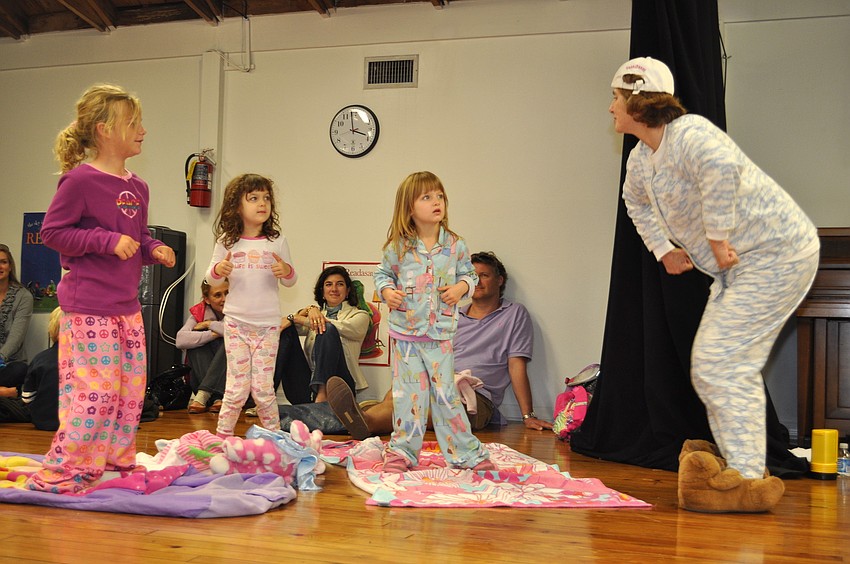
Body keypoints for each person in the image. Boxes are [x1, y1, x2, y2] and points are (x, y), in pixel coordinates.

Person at [609, 57, 819, 512]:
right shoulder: (641, 159)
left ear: (639, 103)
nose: (610, 107)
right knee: (711, 364)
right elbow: (635, 204)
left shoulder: (692, 134)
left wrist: (718, 238)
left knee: (722, 362)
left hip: (778, 252)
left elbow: (721, 169)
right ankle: (742, 469)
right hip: (739, 268)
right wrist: (663, 250)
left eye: (616, 97)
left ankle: (746, 476)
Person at [27, 84, 176, 493]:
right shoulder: (79, 181)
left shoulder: (138, 186)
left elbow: (137, 238)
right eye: (133, 123)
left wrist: (154, 248)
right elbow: (53, 232)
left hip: (127, 308)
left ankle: (112, 463)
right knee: (95, 393)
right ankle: (65, 470)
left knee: (129, 392)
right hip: (89, 308)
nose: (143, 130)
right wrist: (105, 241)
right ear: (104, 130)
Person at [327, 251, 552, 439]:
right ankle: (364, 419)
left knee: (429, 405)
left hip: (475, 397)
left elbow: (516, 365)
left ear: (500, 280)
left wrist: (528, 415)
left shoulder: (514, 313)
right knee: (402, 390)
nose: (477, 282)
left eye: (483, 276)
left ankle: (364, 420)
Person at [372, 170, 493, 473]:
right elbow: (382, 275)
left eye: (440, 196)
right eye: (427, 197)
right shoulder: (397, 247)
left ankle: (466, 454)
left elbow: (469, 275)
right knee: (407, 398)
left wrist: (461, 288)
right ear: (409, 208)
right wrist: (387, 292)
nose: (437, 201)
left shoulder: (455, 245)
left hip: (440, 336)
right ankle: (402, 453)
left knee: (446, 396)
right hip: (406, 336)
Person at [206, 173, 297, 437]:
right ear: (237, 206)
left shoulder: (277, 241)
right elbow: (210, 278)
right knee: (236, 388)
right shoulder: (227, 241)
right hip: (237, 324)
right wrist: (219, 269)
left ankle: (275, 439)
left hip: (267, 326)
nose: (262, 203)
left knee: (263, 389)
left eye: (266, 198)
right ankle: (222, 438)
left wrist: (286, 271)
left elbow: (291, 280)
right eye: (254, 198)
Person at [275, 265, 370, 404]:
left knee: (327, 329)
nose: (334, 289)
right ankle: (265, 394)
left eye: (340, 284)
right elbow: (287, 325)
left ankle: (323, 392)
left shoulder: (360, 315)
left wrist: (299, 317)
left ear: (348, 291)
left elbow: (333, 326)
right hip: (307, 386)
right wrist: (309, 310)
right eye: (328, 284)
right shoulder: (315, 314)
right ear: (322, 291)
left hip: (339, 385)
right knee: (286, 331)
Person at [0, 307, 62, 430]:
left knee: (19, 369)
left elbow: (27, 399)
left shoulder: (41, 358)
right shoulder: (89, 361)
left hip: (41, 420)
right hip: (76, 420)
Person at [179, 279, 228, 414]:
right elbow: (180, 340)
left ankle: (206, 395)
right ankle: (214, 397)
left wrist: (209, 324)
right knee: (196, 339)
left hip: (231, 386)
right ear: (207, 299)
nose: (224, 299)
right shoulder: (200, 312)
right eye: (218, 295)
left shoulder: (240, 312)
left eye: (227, 293)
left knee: (231, 341)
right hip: (200, 380)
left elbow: (236, 332)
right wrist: (214, 334)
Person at [0, 244, 34, 395]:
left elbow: (16, 336)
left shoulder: (24, 296)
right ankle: (5, 392)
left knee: (20, 370)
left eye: (3, 262)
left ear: (10, 266)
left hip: (9, 364)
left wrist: (1, 357)